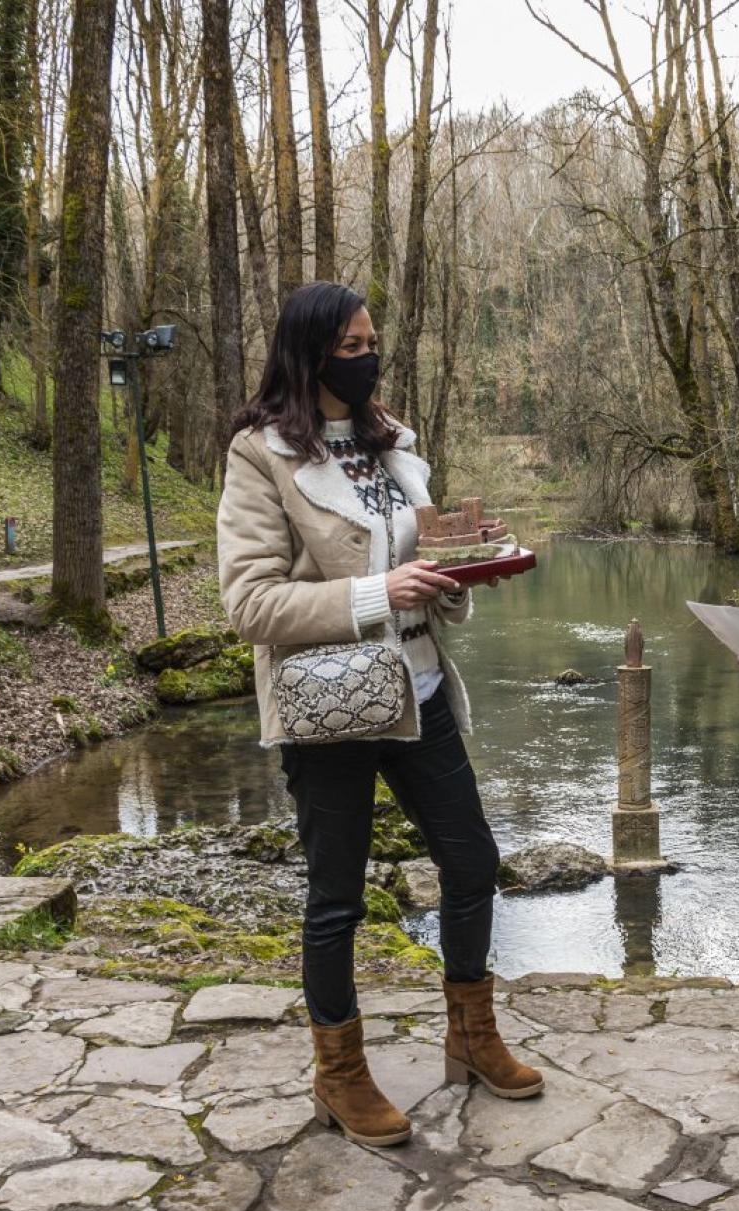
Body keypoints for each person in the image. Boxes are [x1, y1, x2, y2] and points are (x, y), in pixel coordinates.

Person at [217, 281, 543, 1149]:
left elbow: (418, 564)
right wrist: (376, 592)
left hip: (420, 688)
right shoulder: (260, 455)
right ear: (311, 352)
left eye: (373, 343)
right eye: (353, 346)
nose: (368, 358)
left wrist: (464, 564)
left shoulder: (390, 443)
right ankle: (341, 1074)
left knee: (473, 862)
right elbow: (250, 604)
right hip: (331, 704)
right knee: (337, 900)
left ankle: (473, 1038)